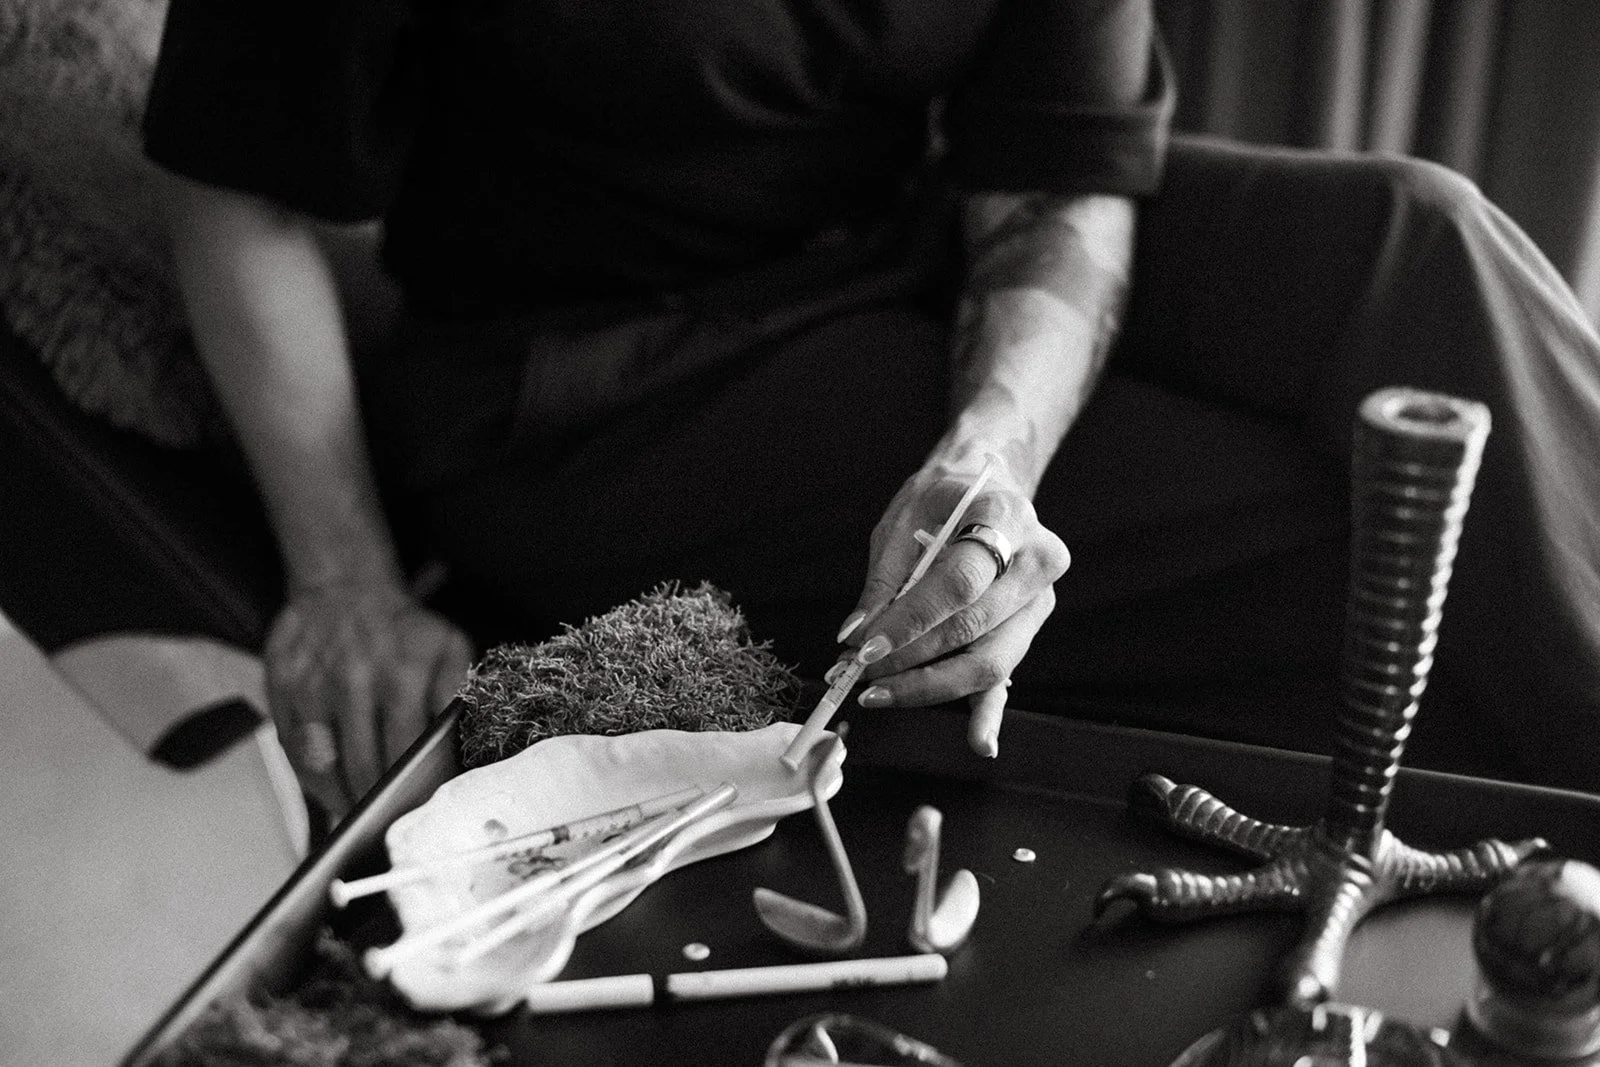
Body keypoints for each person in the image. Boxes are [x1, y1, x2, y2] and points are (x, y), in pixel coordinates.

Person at [143, 0, 1600, 819]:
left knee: (1424, 233)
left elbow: (1052, 182)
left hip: (904, 248)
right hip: (586, 386)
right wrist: (345, 577)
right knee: (1366, 546)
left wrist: (992, 447)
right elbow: (234, 182)